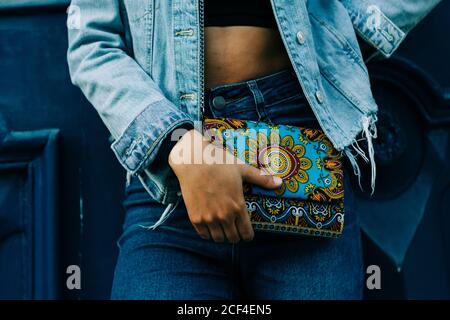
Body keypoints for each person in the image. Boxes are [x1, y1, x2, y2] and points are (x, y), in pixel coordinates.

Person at [67, 0, 441, 299]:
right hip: (171, 178)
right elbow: (92, 44)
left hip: (300, 149)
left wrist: (336, 41)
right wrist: (177, 142)